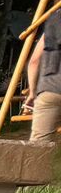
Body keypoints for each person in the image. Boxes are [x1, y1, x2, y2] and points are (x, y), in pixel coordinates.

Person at [28, 8, 61, 146]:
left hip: (50, 89)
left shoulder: (55, 18)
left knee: (38, 147)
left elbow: (34, 60)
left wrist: (32, 92)